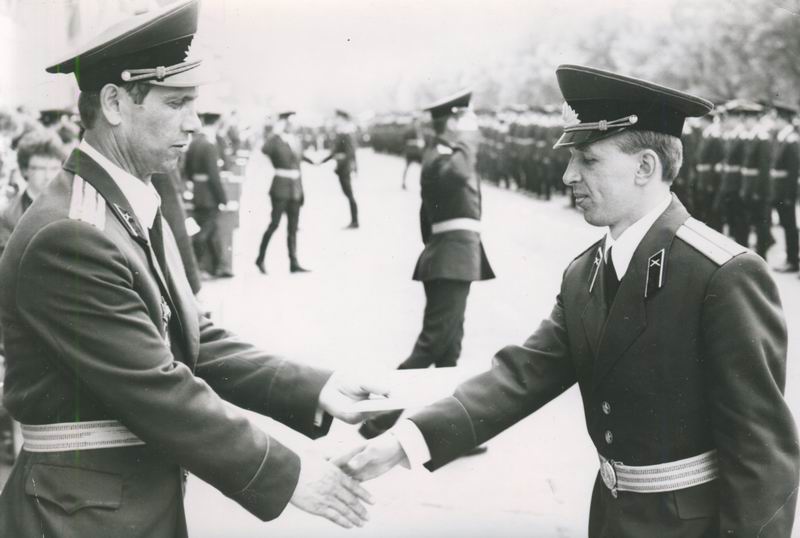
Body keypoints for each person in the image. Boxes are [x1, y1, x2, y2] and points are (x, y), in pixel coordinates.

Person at [342, 65, 799, 537]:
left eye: (588, 160)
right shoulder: (585, 273)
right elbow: (522, 375)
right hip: (610, 518)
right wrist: (407, 440)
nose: (568, 175)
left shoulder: (721, 274)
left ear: (645, 167)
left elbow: (762, 455)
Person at [0, 3, 389, 536]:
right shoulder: (73, 234)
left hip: (116, 504)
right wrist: (290, 474)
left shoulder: (123, 202)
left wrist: (318, 388)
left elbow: (189, 338)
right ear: (114, 102)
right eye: (177, 102)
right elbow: (156, 386)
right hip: (80, 519)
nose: (194, 121)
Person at [358, 89, 495, 440]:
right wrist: (467, 137)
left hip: (453, 256)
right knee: (433, 345)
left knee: (449, 348)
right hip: (451, 258)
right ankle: (378, 419)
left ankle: (449, 430)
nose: (472, 125)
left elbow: (427, 216)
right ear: (452, 122)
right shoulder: (440, 155)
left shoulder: (445, 154)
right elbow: (460, 175)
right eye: (465, 119)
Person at [256, 110, 312, 274]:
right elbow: (264, 149)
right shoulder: (276, 140)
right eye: (288, 122)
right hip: (280, 188)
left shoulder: (295, 140)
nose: (292, 125)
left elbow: (299, 162)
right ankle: (260, 259)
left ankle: (294, 262)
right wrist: (275, 133)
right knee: (274, 224)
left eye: (293, 122)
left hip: (295, 188)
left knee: (293, 228)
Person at [0, 129, 66, 257]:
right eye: (41, 169)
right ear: (25, 169)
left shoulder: (72, 207)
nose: (48, 176)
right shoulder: (8, 215)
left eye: (54, 168)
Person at [185, 110, 230, 278]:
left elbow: (188, 171)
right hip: (209, 195)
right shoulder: (209, 145)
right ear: (217, 123)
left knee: (211, 229)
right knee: (205, 230)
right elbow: (214, 176)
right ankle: (199, 267)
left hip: (198, 192)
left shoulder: (195, 143)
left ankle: (219, 266)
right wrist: (223, 199)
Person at [769, 104, 799, 273]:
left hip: (786, 190)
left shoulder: (791, 139)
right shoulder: (782, 137)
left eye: (776, 119)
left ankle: (793, 260)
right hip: (779, 189)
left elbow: (793, 172)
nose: (774, 123)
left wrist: (788, 195)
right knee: (786, 225)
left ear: (783, 119)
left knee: (789, 226)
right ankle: (790, 257)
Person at [320, 109, 360, 229]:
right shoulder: (342, 133)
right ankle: (354, 220)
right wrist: (322, 161)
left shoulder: (346, 133)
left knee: (349, 194)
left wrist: (340, 160)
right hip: (343, 167)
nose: (336, 120)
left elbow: (350, 153)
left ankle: (355, 221)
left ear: (343, 120)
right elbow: (335, 152)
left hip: (345, 168)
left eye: (337, 118)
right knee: (348, 193)